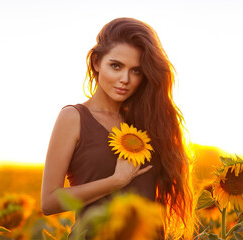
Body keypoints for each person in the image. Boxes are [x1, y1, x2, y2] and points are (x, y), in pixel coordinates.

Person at [41, 17, 195, 239]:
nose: (125, 79)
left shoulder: (148, 121)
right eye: (116, 66)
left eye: (136, 71)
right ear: (96, 62)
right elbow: (49, 202)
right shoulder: (73, 117)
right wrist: (115, 182)